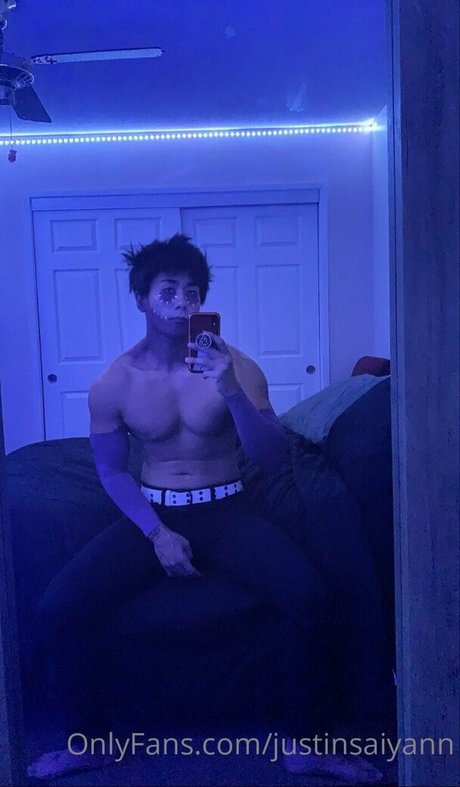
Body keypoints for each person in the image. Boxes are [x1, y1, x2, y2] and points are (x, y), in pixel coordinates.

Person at [28, 234, 382, 783]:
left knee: (308, 595)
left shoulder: (237, 367)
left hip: (226, 509)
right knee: (59, 607)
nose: (181, 303)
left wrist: (231, 390)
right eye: (168, 291)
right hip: (154, 515)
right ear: (142, 299)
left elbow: (271, 457)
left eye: (192, 292)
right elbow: (113, 472)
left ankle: (305, 742)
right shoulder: (114, 384)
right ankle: (90, 742)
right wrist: (156, 534)